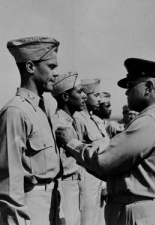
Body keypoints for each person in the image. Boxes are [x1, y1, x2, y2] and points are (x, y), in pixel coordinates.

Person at [56, 58, 155, 225]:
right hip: (144, 211)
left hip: (140, 214)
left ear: (148, 87)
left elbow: (104, 161)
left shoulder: (150, 120)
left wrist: (71, 143)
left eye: (130, 86)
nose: (126, 93)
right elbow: (112, 171)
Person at [0, 36, 63, 225]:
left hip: (53, 203)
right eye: (51, 67)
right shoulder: (16, 112)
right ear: (31, 67)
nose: (56, 74)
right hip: (31, 208)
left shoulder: (44, 108)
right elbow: (9, 183)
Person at [50, 71, 87, 225]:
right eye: (79, 91)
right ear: (65, 97)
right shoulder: (59, 125)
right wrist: (61, 212)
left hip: (74, 186)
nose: (84, 95)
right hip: (64, 189)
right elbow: (55, 170)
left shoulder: (70, 122)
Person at [73, 78, 107, 225]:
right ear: (85, 96)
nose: (99, 99)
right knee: (87, 219)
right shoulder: (78, 119)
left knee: (99, 218)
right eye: (96, 95)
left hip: (98, 178)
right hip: (86, 178)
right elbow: (75, 152)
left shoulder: (94, 119)